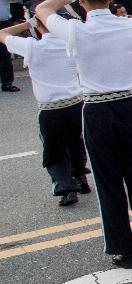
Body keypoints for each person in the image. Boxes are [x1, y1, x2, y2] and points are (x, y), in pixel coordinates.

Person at [35, 0, 132, 268]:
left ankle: (122, 248)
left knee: (109, 181)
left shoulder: (76, 30)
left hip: (98, 108)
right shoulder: (129, 27)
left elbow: (42, 9)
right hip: (131, 104)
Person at [0, 17, 90, 206]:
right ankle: (80, 176)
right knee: (76, 141)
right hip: (76, 103)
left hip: (51, 108)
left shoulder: (32, 47)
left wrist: (27, 24)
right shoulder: (70, 45)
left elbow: (2, 34)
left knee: (54, 149)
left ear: (38, 26)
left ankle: (66, 188)